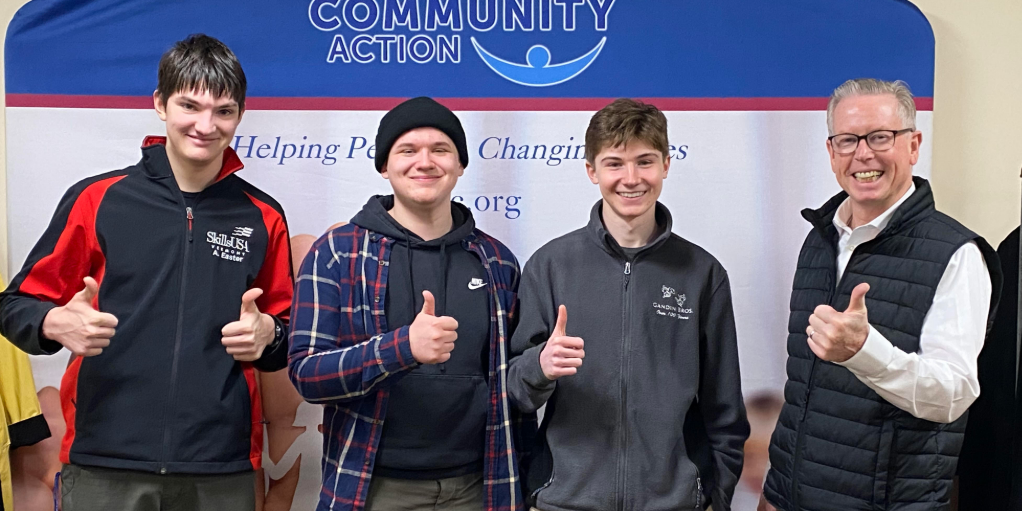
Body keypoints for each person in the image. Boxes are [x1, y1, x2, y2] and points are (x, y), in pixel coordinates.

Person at [0, 34, 294, 511]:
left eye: (223, 111)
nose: (205, 124)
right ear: (160, 104)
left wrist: (269, 336)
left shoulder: (263, 216)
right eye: (190, 105)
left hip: (218, 465)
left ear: (240, 115)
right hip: (103, 460)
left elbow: (286, 333)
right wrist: (54, 323)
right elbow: (13, 305)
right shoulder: (98, 199)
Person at [759, 78, 1001, 511]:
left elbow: (953, 395)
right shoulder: (818, 240)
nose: (863, 153)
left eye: (880, 137)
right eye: (849, 140)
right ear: (832, 152)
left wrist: (863, 351)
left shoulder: (958, 254)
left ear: (913, 145)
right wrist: (777, 492)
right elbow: (805, 395)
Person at [288, 97, 533, 511]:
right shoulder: (337, 252)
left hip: (477, 486)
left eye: (440, 150)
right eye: (408, 150)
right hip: (372, 487)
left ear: (460, 165)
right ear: (385, 166)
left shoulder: (498, 262)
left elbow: (511, 382)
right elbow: (307, 374)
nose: (425, 162)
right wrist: (401, 348)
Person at [507, 98, 749, 511]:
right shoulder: (550, 266)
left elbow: (724, 407)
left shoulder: (702, 273)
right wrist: (539, 367)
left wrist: (715, 494)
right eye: (615, 163)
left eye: (645, 161)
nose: (631, 178)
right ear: (592, 170)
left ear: (666, 165)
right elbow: (514, 391)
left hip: (673, 503)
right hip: (565, 502)